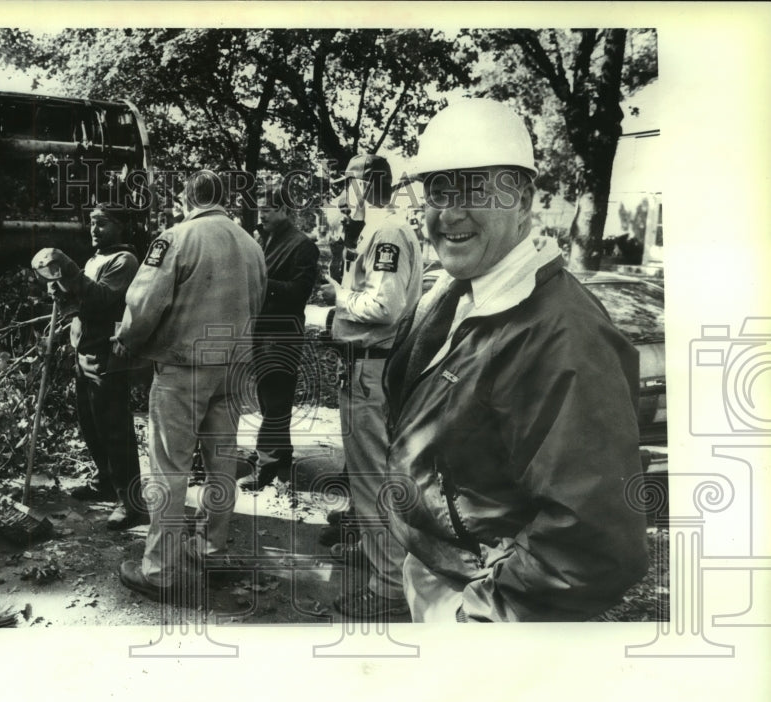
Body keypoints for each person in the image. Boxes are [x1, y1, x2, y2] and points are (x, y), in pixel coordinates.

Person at [384, 98, 648, 621]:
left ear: (524, 200)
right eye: (439, 190)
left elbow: (595, 542)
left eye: (477, 189)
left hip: (490, 609)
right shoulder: (461, 291)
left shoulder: (564, 336)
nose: (451, 212)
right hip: (440, 571)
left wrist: (478, 617)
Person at [113, 170, 267, 602]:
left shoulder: (177, 237)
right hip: (233, 365)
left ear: (187, 198)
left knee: (169, 466)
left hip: (184, 366)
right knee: (222, 462)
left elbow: (144, 300)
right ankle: (212, 550)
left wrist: (127, 340)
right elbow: (258, 302)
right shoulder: (251, 244)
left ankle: (159, 569)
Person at [318, 154, 423, 620]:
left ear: (365, 186)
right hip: (364, 366)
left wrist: (334, 296)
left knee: (372, 478)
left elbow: (385, 305)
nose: (342, 197)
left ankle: (388, 589)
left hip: (373, 370)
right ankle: (373, 551)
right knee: (367, 474)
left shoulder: (388, 233)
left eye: (347, 187)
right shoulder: (377, 233)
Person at [31, 203, 149, 530]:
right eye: (92, 224)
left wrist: (67, 269)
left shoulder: (124, 261)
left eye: (102, 224)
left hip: (107, 354)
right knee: (90, 422)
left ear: (121, 226)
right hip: (83, 350)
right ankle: (106, 480)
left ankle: (132, 501)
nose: (94, 230)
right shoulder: (95, 259)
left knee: (115, 428)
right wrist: (59, 286)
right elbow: (80, 299)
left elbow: (100, 299)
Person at [237, 184, 320, 491]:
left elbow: (298, 293)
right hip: (262, 332)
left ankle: (266, 467)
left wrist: (261, 281)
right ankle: (281, 456)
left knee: (275, 401)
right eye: (260, 211)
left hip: (282, 334)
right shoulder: (264, 238)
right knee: (271, 399)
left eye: (267, 211)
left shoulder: (303, 246)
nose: (262, 218)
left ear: (285, 211)